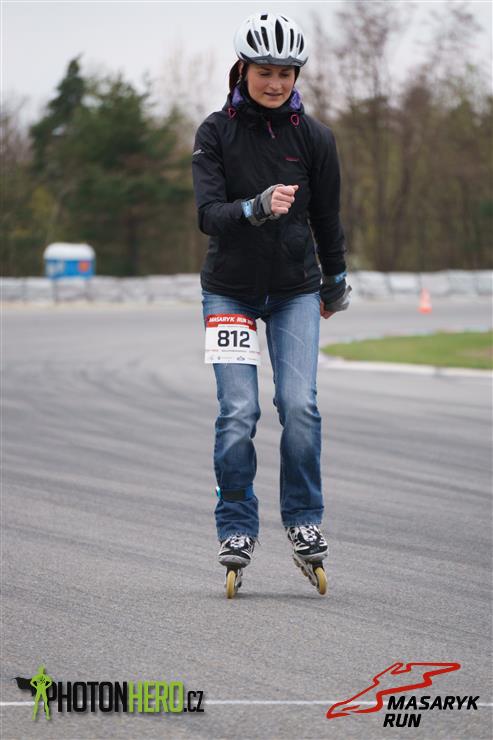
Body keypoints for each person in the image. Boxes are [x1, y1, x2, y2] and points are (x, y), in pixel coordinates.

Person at [192, 12, 350, 595]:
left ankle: (304, 520)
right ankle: (236, 527)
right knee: (239, 412)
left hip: (294, 290)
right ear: (243, 70)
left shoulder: (315, 138)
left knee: (299, 405)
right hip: (229, 288)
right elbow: (207, 215)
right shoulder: (215, 132)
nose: (276, 83)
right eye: (265, 71)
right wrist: (254, 207)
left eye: (286, 73)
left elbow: (327, 217)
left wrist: (336, 280)